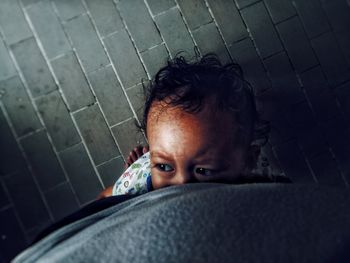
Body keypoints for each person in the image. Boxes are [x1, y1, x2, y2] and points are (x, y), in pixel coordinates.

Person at [99, 54, 289, 198]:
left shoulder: (264, 192)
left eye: (203, 171)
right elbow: (103, 200)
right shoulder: (138, 186)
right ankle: (141, 165)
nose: (182, 185)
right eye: (164, 167)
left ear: (247, 161)